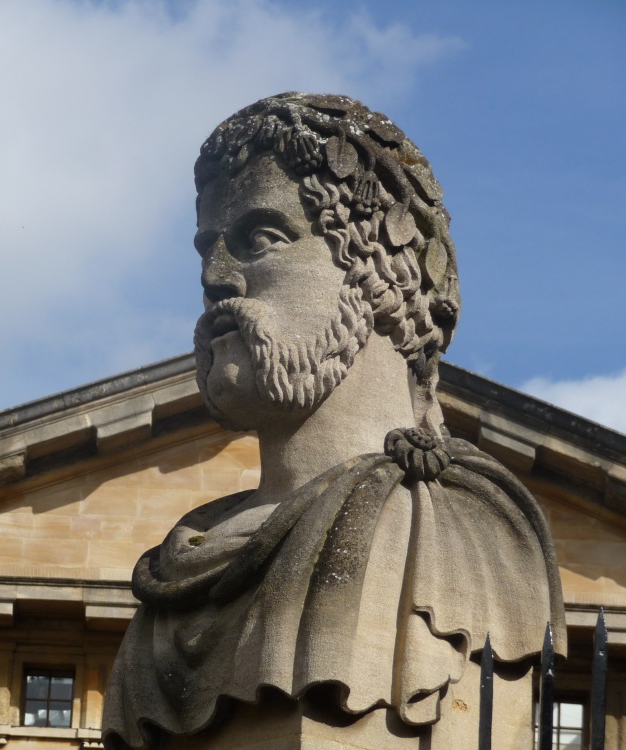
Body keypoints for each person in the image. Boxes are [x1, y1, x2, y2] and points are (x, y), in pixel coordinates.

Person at [102, 93, 565, 749]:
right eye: (207, 247)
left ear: (374, 264)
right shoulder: (181, 564)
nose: (215, 277)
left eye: (260, 238)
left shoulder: (451, 533)